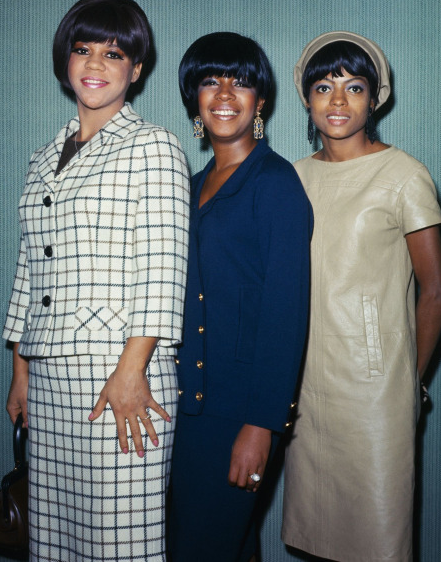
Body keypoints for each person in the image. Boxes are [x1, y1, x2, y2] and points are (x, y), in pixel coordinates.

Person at [3, 0, 190, 562]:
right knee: (56, 539)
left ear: (136, 69)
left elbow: (165, 268)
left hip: (122, 376)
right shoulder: (43, 157)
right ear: (65, 59)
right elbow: (30, 269)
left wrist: (131, 372)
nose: (94, 65)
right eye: (83, 49)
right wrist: (21, 371)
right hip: (51, 373)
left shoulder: (152, 145)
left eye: (113, 54)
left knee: (120, 542)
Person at [282, 31, 441, 562]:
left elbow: (437, 293)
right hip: (306, 392)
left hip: (377, 395)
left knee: (379, 540)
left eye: (354, 87)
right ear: (306, 97)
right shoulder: (292, 179)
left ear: (375, 97)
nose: (337, 101)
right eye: (324, 86)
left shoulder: (403, 174)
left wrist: (408, 382)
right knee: (317, 537)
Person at [168, 32, 313, 561]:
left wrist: (262, 424)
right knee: (222, 546)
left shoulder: (276, 183)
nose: (225, 93)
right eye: (210, 80)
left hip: (239, 411)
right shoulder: (189, 183)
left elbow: (286, 313)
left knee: (204, 548)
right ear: (194, 100)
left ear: (261, 102)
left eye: (241, 81)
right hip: (185, 408)